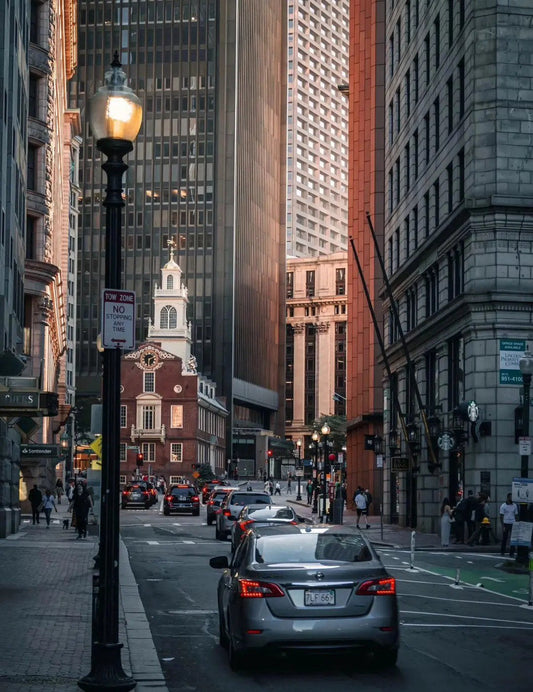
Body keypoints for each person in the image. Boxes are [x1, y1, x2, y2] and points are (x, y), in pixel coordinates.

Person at [499, 492, 519, 557]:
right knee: (504, 538)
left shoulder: (514, 505)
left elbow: (516, 515)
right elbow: (501, 516)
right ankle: (502, 551)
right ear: (508, 498)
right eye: (510, 497)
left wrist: (517, 523)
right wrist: (503, 525)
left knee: (513, 539)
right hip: (506, 523)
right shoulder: (503, 506)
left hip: (513, 523)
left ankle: (512, 552)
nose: (511, 499)